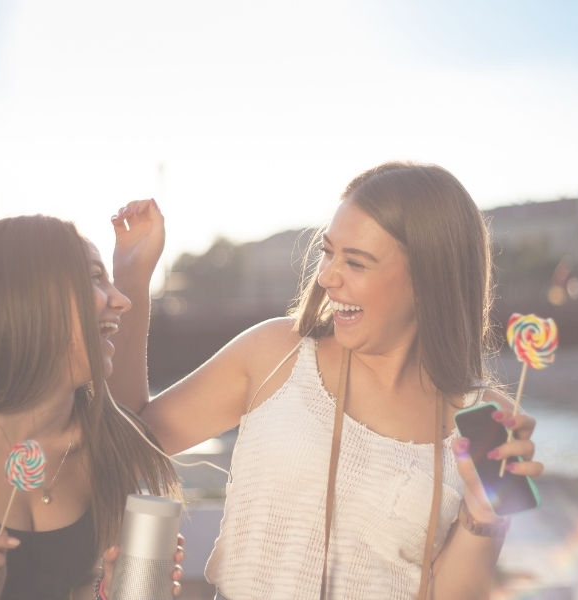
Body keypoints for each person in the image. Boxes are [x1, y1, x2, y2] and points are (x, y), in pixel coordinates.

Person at [109, 162, 544, 600]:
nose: (327, 276)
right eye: (328, 251)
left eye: (355, 262)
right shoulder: (276, 353)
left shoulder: (486, 422)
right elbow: (128, 442)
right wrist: (131, 276)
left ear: (428, 281)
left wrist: (483, 514)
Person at [0, 215, 184, 599]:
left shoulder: (102, 442)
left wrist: (109, 590)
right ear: (31, 297)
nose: (120, 300)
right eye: (94, 278)